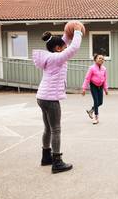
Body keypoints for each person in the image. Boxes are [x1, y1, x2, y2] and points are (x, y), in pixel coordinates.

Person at [33, 22, 83, 173]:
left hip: (42, 97)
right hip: (50, 98)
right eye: (63, 46)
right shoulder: (57, 58)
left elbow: (63, 44)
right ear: (58, 48)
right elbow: (74, 48)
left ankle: (46, 156)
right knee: (56, 129)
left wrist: (67, 36)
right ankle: (57, 162)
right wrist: (77, 31)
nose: (66, 48)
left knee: (48, 128)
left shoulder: (51, 56)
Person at [82, 54, 108, 124]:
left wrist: (106, 89)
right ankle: (96, 117)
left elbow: (105, 79)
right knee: (96, 101)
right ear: (95, 59)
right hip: (93, 86)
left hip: (101, 86)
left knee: (100, 102)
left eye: (103, 59)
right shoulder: (92, 68)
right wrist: (84, 88)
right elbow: (87, 78)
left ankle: (91, 111)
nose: (101, 60)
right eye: (100, 58)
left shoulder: (104, 69)